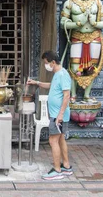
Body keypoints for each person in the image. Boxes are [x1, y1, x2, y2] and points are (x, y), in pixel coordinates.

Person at [60, 0, 103, 102]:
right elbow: (63, 22)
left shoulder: (97, 2)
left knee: (92, 67)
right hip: (77, 36)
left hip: (94, 36)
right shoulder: (70, 3)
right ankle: (73, 94)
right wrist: (76, 24)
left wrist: (94, 23)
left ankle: (86, 95)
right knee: (74, 66)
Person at [27, 51, 72, 181]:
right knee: (61, 139)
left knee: (53, 141)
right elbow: (52, 87)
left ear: (53, 62)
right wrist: (36, 83)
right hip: (57, 114)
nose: (46, 66)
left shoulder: (63, 74)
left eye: (46, 63)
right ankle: (66, 166)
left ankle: (57, 170)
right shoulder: (57, 75)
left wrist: (60, 115)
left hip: (58, 115)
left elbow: (66, 95)